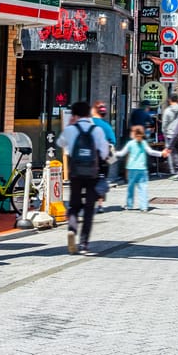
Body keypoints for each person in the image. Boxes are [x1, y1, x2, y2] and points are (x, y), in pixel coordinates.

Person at [57, 101, 111, 255]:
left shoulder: (70, 129)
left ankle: (72, 230)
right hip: (92, 173)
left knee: (74, 204)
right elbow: (104, 153)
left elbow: (60, 143)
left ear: (74, 114)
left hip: (75, 173)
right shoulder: (97, 130)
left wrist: (69, 125)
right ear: (88, 113)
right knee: (89, 209)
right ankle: (84, 244)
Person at [116, 124, 154, 212]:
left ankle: (129, 205)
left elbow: (121, 154)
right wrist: (161, 154)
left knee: (130, 188)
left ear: (133, 133)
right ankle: (144, 207)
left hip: (132, 168)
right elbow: (151, 152)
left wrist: (112, 154)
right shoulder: (144, 143)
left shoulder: (130, 143)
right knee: (143, 188)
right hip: (142, 169)